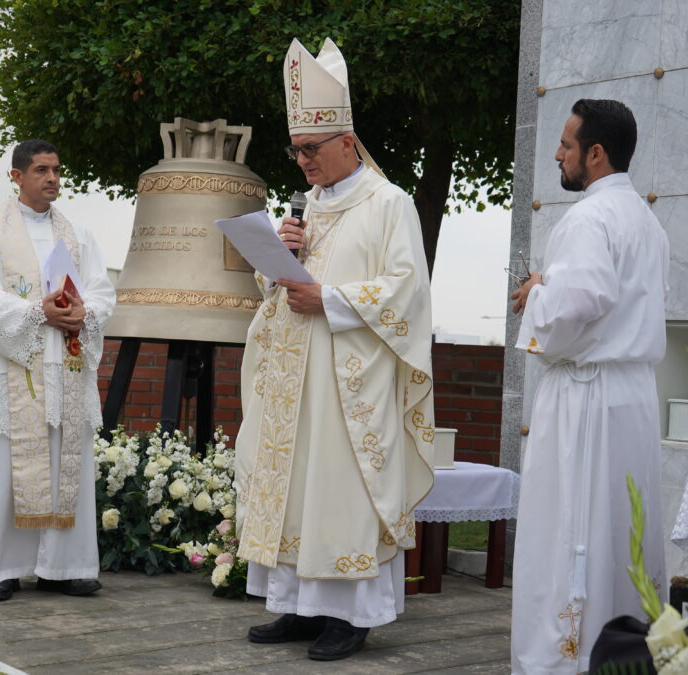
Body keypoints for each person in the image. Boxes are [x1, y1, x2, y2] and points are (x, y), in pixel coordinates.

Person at [234, 38, 435, 661]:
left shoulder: (389, 203)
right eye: (295, 151)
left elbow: (406, 291)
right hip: (294, 381)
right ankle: (296, 605)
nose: (302, 162)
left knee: (339, 490)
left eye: (311, 149)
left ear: (347, 141)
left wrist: (333, 300)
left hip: (351, 382)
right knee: (296, 489)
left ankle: (351, 615)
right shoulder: (304, 208)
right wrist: (277, 259)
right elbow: (278, 292)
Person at [508, 99, 670, 672]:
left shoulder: (587, 218)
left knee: (569, 533)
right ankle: (625, 651)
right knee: (618, 531)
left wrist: (535, 293)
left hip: (585, 399)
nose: (558, 153)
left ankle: (563, 661)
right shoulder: (645, 219)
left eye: (566, 145)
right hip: (630, 397)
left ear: (595, 154)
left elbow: (578, 304)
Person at [0, 139, 116, 601]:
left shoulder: (78, 235)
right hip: (12, 368)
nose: (53, 179)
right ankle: (0, 568)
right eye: (41, 170)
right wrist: (37, 312)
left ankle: (63, 566)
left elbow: (103, 290)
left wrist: (85, 312)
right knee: (5, 464)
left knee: (66, 463)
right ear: (17, 176)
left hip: (67, 366)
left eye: (57, 170)